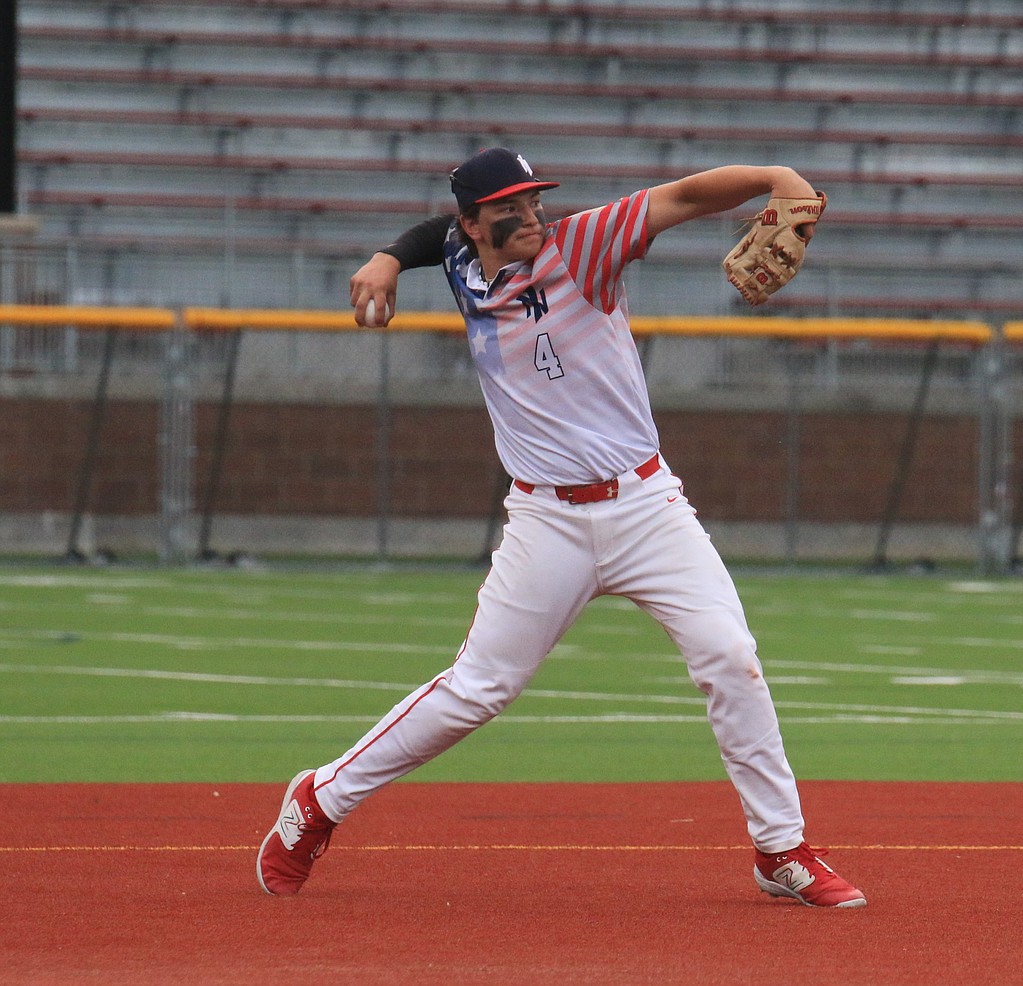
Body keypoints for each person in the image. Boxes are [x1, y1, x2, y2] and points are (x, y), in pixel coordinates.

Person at [255, 147, 867, 908]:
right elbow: (429, 236)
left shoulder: (581, 244)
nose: (532, 216)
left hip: (647, 507)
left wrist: (777, 180)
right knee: (479, 689)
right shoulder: (459, 256)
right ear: (473, 223)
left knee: (730, 653)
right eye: (511, 207)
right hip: (547, 517)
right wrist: (386, 257)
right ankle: (320, 798)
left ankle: (781, 849)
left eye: (535, 200)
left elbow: (682, 196)